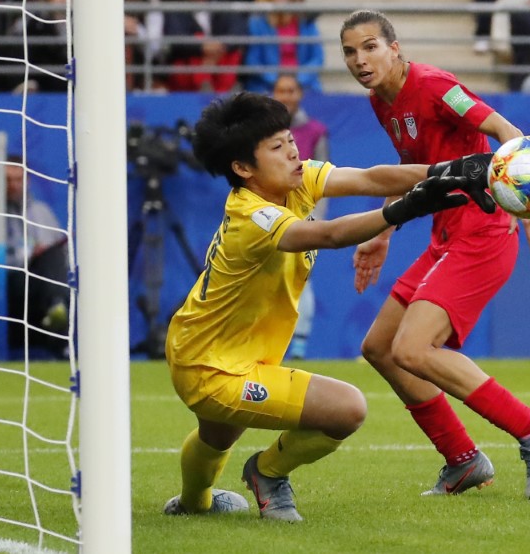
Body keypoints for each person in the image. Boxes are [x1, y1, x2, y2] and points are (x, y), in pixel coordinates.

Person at [163, 91, 475, 521]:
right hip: (211, 368)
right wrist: (406, 208)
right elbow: (327, 236)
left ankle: (193, 504)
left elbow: (370, 178)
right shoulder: (251, 218)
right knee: (348, 408)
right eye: (276, 147)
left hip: (213, 350)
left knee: (218, 434)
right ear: (242, 168)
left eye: (290, 139)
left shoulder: (296, 181)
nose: (293, 151)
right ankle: (267, 473)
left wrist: (449, 172)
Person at [339, 9, 530, 500]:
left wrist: (529, 196)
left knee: (413, 349)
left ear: (395, 48)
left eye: (370, 47)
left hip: (482, 231)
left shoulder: (435, 85)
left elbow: (508, 132)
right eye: (350, 52)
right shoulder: (383, 100)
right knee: (379, 348)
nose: (360, 60)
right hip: (447, 235)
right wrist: (383, 231)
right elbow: (408, 169)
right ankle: (462, 461)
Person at [272, 73, 330, 359]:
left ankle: (299, 344)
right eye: (281, 91)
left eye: (290, 90)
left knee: (300, 276)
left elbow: (325, 178)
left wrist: (315, 219)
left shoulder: (315, 131)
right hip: (270, 214)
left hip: (302, 215)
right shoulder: (263, 132)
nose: (286, 96)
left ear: (299, 95)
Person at [4, 157, 70, 357]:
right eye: (8, 180)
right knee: (50, 258)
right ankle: (56, 308)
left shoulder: (42, 211)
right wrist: (28, 256)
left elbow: (62, 252)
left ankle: (56, 306)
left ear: (28, 181)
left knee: (54, 254)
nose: (14, 186)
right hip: (15, 280)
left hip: (46, 279)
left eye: (18, 179)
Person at [162, 0, 246, 93]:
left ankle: (224, 94)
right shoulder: (176, 11)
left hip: (220, 63)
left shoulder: (224, 8)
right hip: (188, 69)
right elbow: (175, 38)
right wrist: (202, 47)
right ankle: (204, 84)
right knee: (198, 38)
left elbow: (238, 30)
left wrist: (220, 46)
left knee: (234, 53)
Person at [242, 0, 324, 94]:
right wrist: (277, 81)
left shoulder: (306, 21)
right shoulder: (257, 22)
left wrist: (297, 80)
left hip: (302, 84)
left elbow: (317, 58)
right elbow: (253, 60)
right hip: (266, 85)